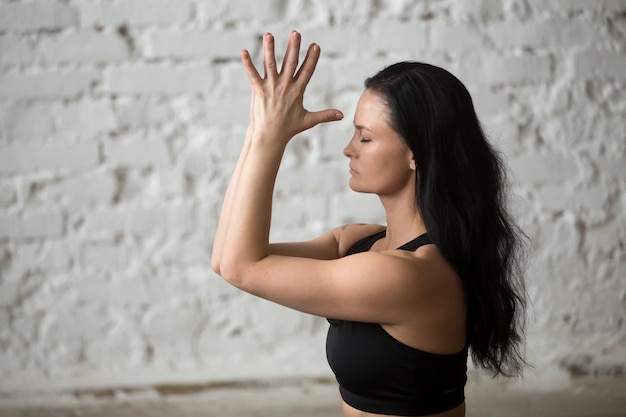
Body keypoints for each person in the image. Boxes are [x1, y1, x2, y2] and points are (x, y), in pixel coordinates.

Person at [211, 31, 528, 417]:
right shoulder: (359, 242)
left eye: (365, 137)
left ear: (416, 154)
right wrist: (257, 127)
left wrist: (269, 139)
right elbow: (227, 258)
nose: (348, 148)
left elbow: (239, 267)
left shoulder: (409, 275)